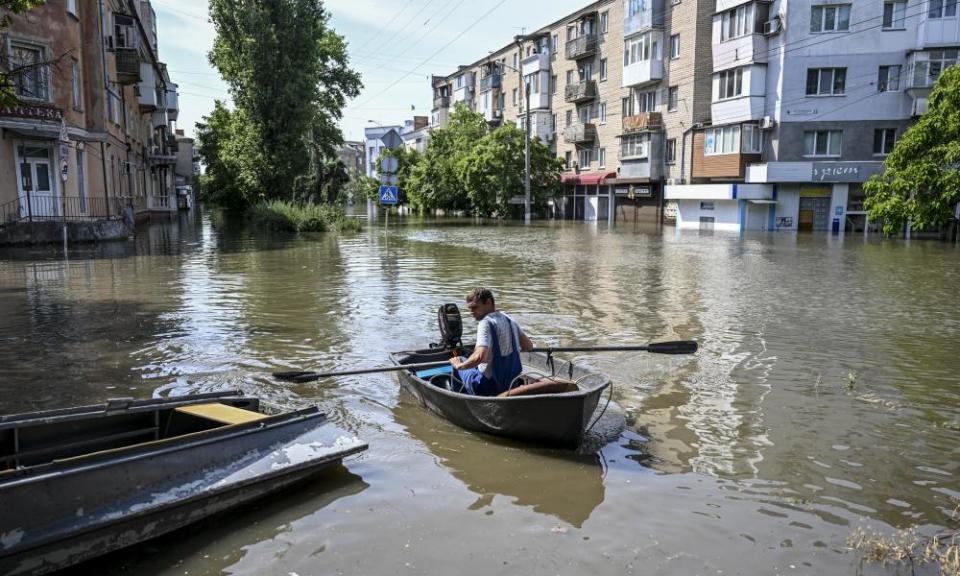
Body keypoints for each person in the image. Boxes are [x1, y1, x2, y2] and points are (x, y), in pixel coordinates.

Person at [450, 288, 534, 396]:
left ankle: (459, 399)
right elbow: (528, 346)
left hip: (486, 388)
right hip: (511, 386)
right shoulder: (510, 320)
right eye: (469, 308)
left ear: (488, 302)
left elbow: (480, 357)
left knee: (458, 359)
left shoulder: (485, 323)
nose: (471, 312)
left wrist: (459, 365)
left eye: (475, 307)